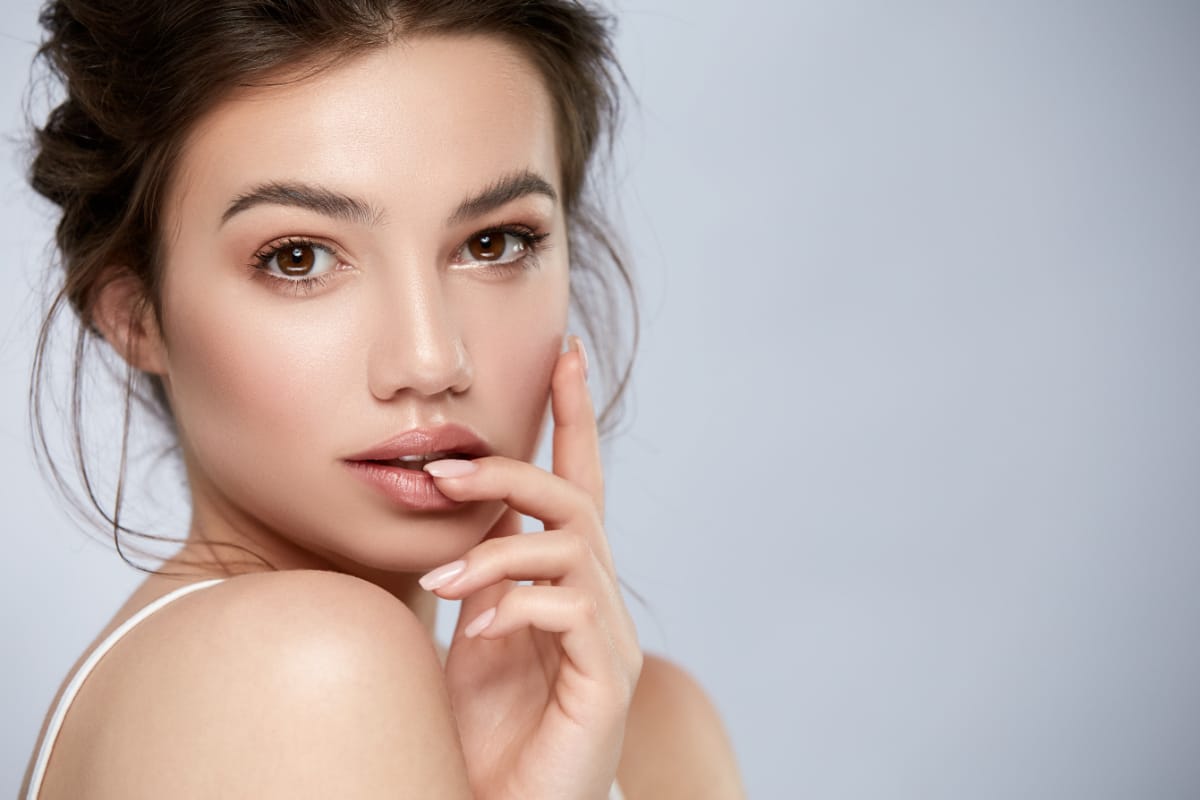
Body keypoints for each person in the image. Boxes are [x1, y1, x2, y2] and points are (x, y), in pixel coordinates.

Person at [19, 1, 744, 797]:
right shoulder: (304, 666)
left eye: (494, 243)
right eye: (299, 258)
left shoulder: (640, 725)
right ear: (135, 314)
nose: (430, 361)